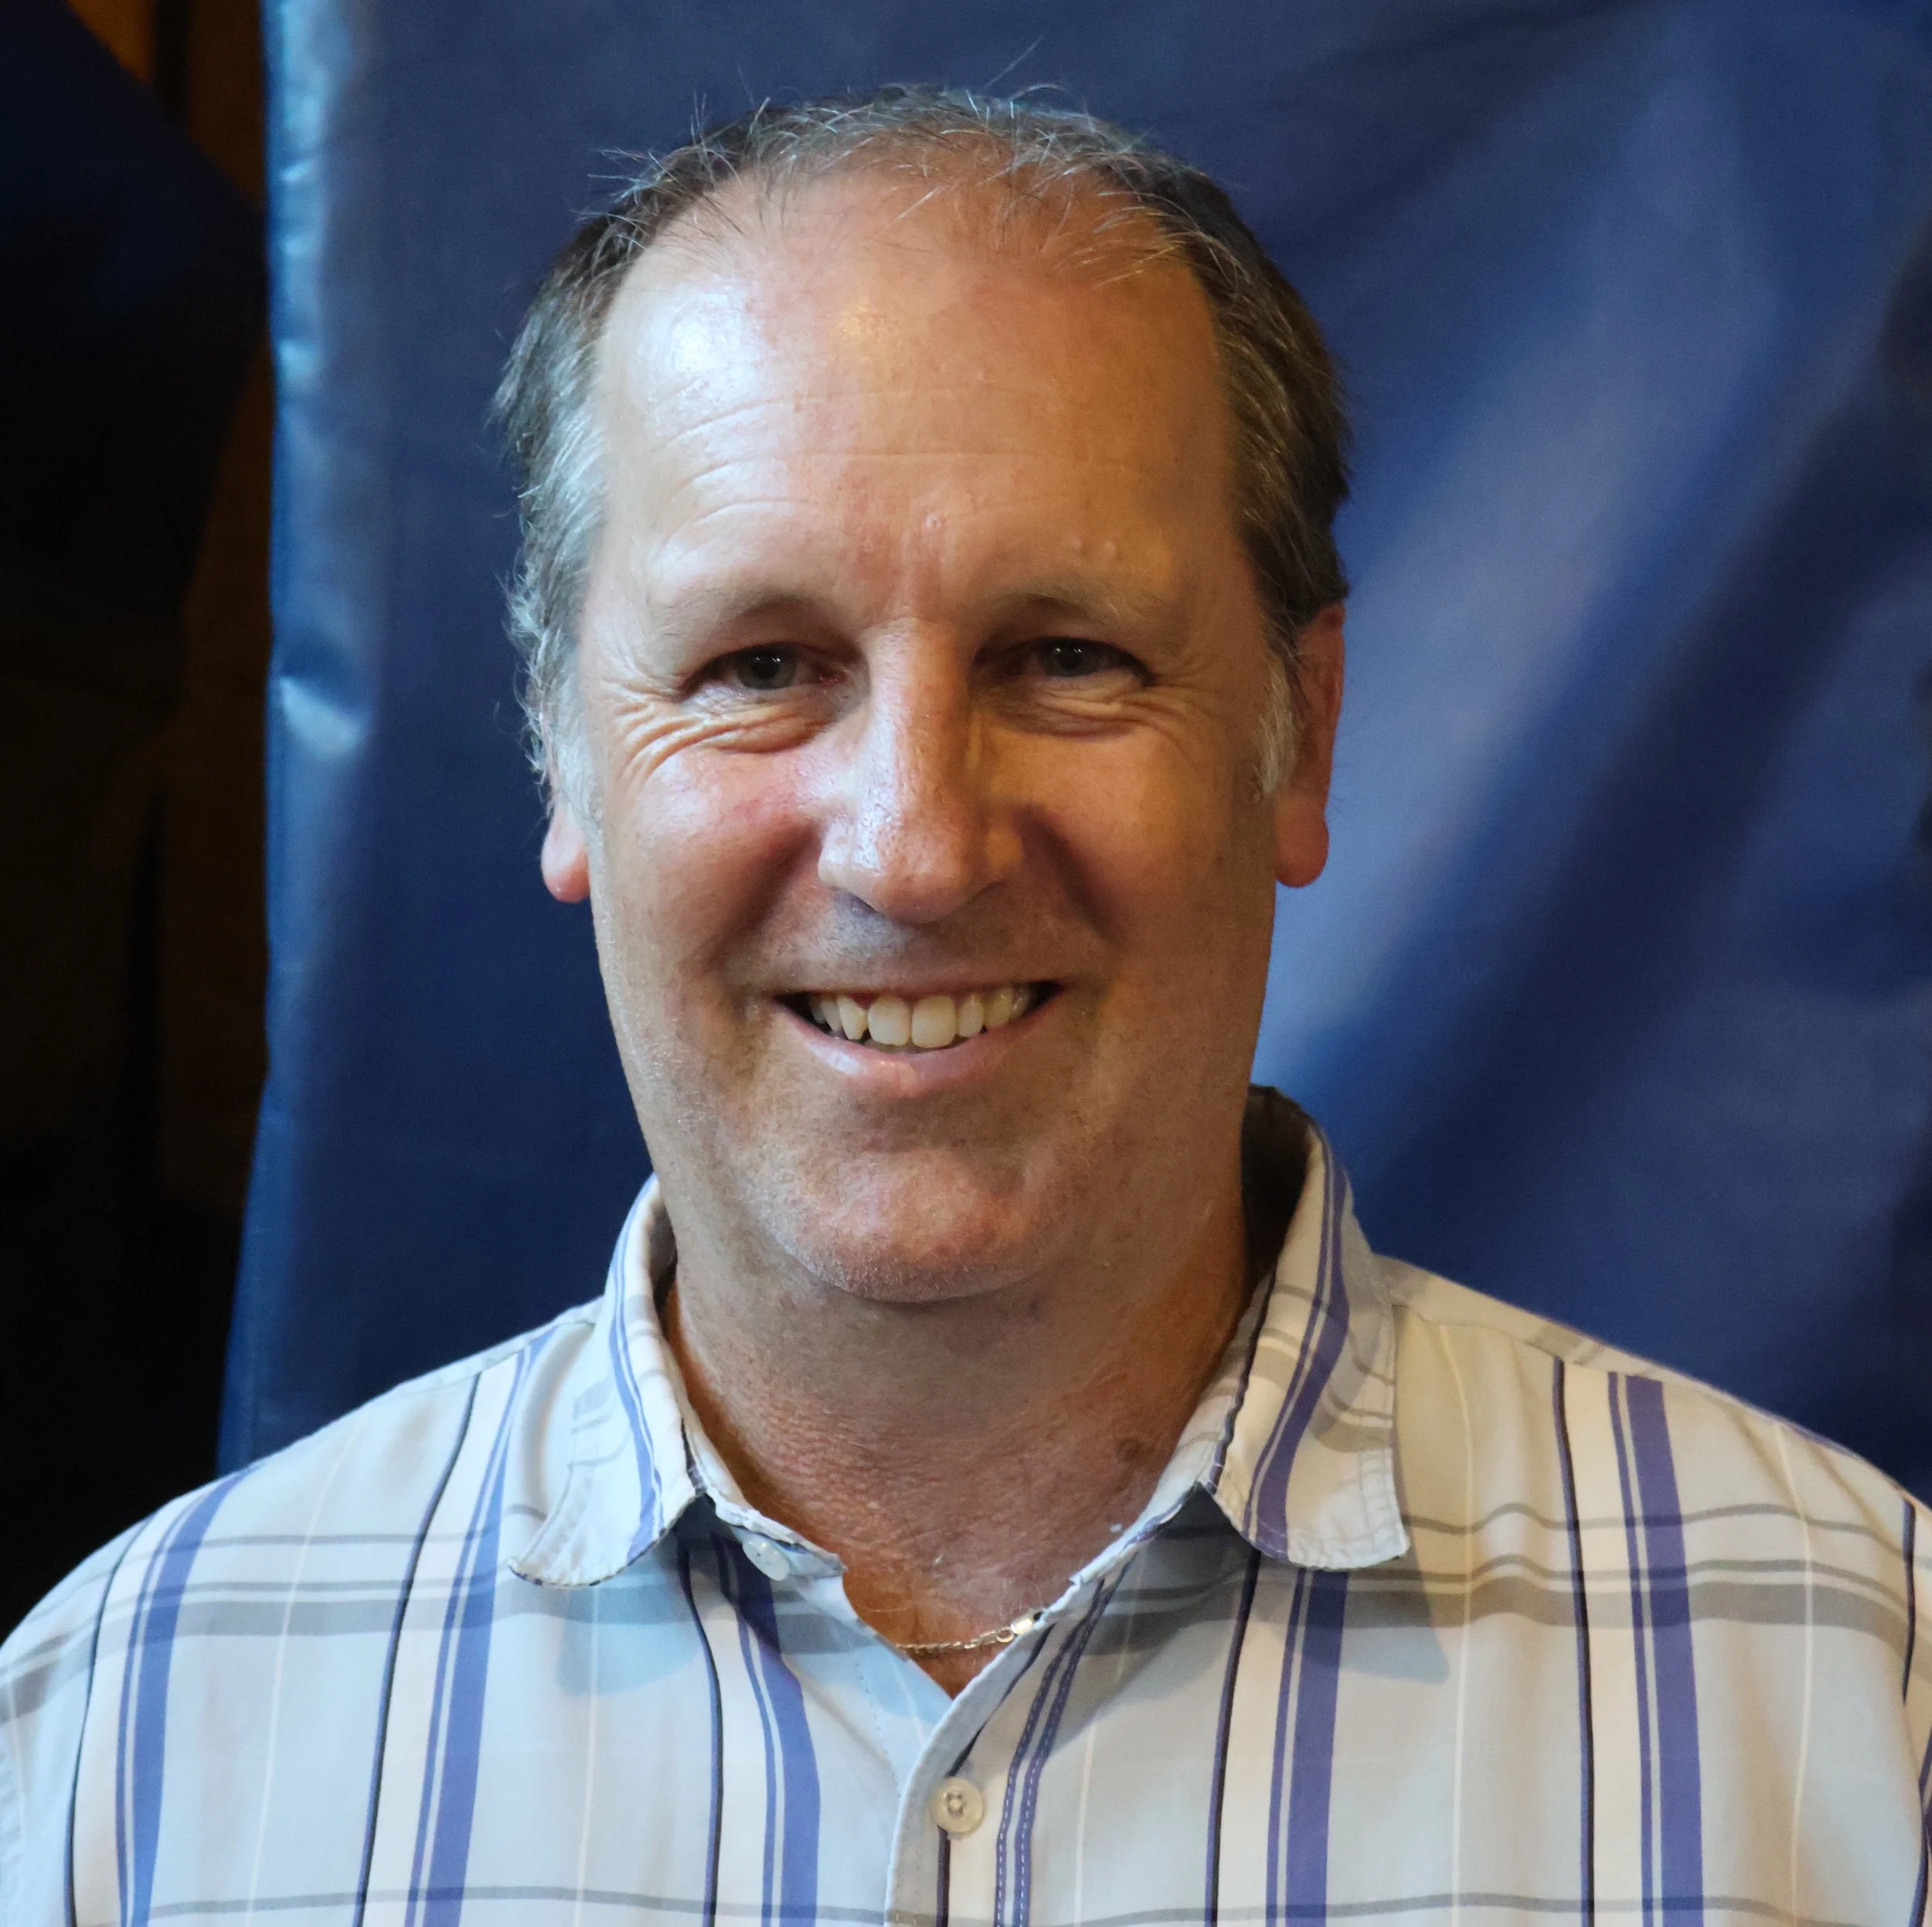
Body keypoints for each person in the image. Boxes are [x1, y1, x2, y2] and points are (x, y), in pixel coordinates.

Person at [2, 87, 1927, 1925]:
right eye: (761, 664)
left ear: (1301, 727)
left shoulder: (1857, 1694)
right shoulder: (123, 1747)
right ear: (562, 754)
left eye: (1066, 655)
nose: (913, 847)